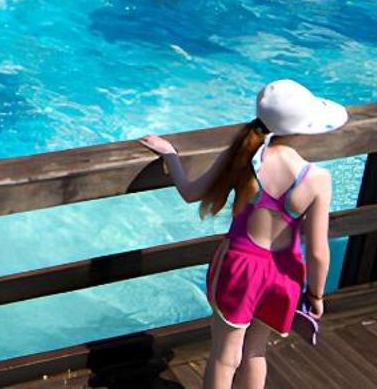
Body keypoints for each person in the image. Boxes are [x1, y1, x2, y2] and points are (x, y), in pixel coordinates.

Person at [139, 81, 344, 389]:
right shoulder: (317, 179)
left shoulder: (243, 156)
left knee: (225, 357)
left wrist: (170, 156)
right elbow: (317, 251)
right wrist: (315, 294)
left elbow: (191, 193)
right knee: (255, 352)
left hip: (239, 267)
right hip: (283, 273)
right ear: (303, 129)